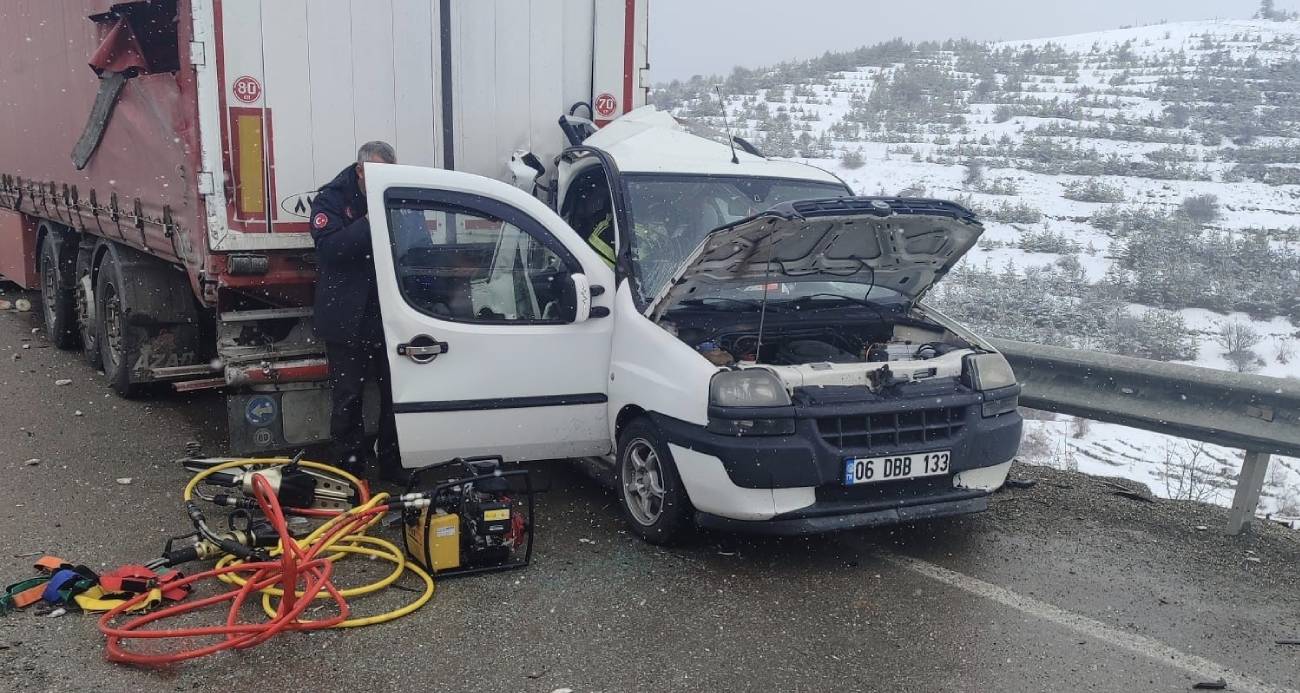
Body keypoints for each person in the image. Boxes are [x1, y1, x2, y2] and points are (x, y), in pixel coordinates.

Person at [309, 141, 403, 482]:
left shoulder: (395, 193)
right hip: (345, 316)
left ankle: (393, 465)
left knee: (396, 397)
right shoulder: (331, 199)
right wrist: (371, 219)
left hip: (389, 316)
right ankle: (350, 472)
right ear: (361, 171)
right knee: (348, 399)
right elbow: (332, 250)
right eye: (378, 174)